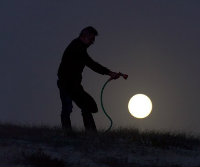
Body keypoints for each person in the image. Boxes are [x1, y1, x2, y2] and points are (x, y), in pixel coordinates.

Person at [57, 26, 122, 133]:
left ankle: (88, 133)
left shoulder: (79, 47)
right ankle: (72, 134)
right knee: (70, 107)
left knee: (83, 106)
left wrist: (109, 72)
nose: (92, 42)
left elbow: (90, 63)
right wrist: (109, 72)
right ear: (84, 36)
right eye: (91, 39)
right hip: (66, 83)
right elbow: (91, 64)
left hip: (73, 84)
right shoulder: (77, 47)